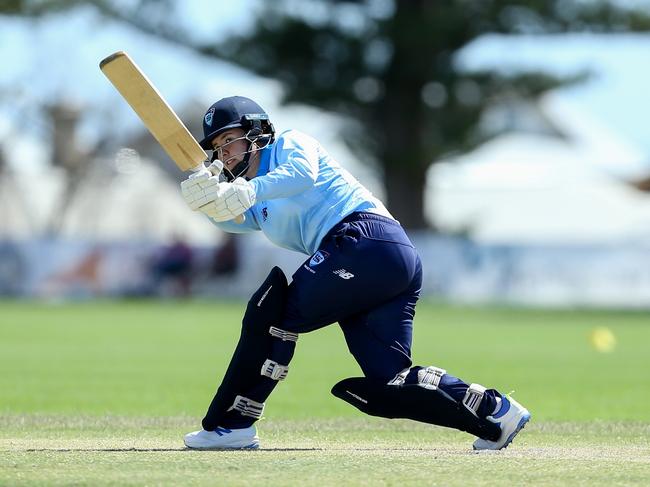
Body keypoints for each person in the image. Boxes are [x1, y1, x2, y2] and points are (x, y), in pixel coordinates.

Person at [180, 96, 530, 451]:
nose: (224, 154)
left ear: (256, 131)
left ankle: (232, 424)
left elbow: (302, 174)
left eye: (228, 140)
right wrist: (207, 203)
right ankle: (495, 413)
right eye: (217, 148)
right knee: (390, 381)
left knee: (271, 314)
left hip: (364, 241)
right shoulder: (259, 197)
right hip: (377, 261)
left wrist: (247, 189)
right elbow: (238, 217)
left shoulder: (289, 143)